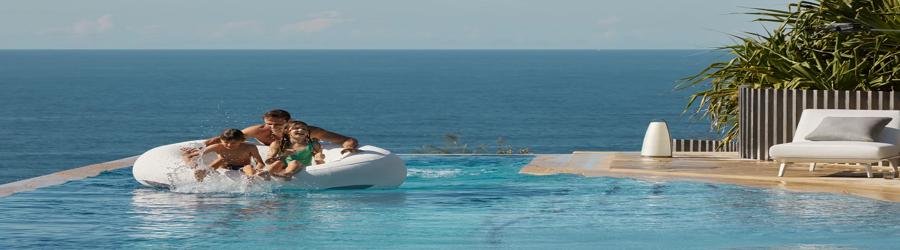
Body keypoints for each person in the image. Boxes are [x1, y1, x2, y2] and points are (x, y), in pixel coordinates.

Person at [203, 109, 358, 154]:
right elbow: (228, 139)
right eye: (268, 124)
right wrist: (201, 147)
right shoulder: (258, 130)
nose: (272, 127)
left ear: (288, 122)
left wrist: (349, 148)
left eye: (277, 124)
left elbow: (345, 139)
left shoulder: (307, 131)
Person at [185, 128, 267, 182]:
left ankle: (251, 178)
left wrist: (257, 169)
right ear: (221, 140)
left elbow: (260, 163)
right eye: (226, 142)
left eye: (233, 143)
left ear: (241, 140)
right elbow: (195, 155)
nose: (229, 145)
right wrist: (191, 164)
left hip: (243, 167)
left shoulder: (250, 147)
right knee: (221, 159)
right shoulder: (217, 147)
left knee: (248, 167)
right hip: (224, 166)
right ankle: (203, 173)